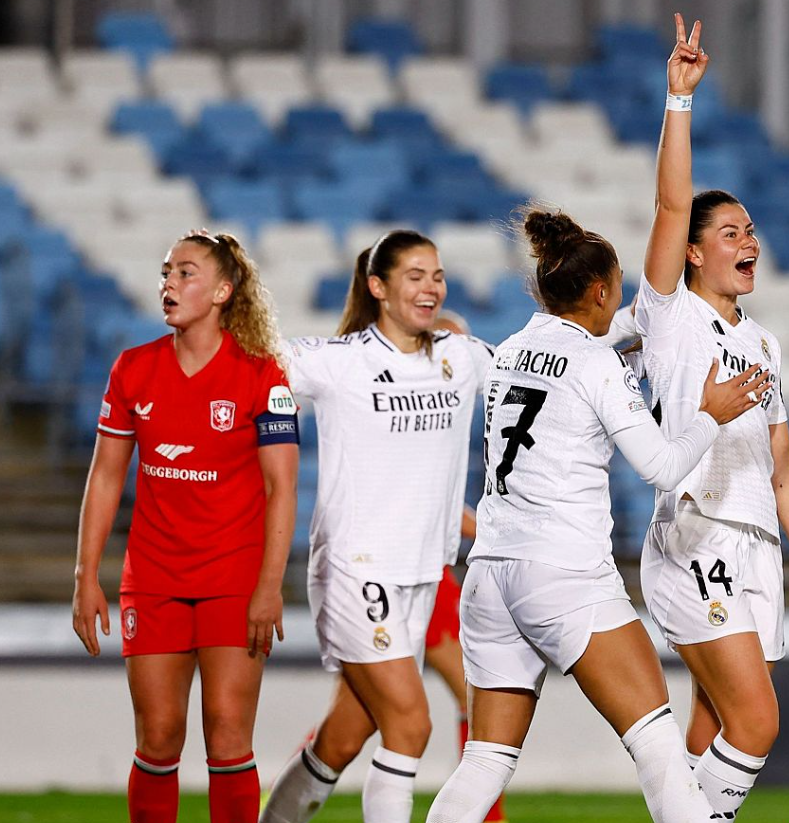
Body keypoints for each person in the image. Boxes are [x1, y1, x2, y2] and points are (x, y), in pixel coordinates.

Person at [426, 208, 768, 823]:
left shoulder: (509, 350)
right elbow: (662, 466)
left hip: (488, 576)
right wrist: (709, 414)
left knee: (484, 759)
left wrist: (643, 323)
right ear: (600, 291)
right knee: (659, 745)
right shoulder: (596, 364)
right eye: (615, 293)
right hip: (564, 571)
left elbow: (601, 336)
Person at [635, 16, 789, 818]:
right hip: (696, 535)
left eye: (749, 228)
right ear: (690, 250)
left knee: (713, 726)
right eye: (727, 231)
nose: (747, 239)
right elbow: (671, 198)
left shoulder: (764, 343)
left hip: (753, 548)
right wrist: (679, 102)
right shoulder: (669, 314)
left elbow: (781, 463)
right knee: (758, 723)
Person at [259, 230, 495, 823]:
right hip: (358, 571)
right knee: (411, 724)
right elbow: (249, 366)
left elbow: (544, 373)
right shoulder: (340, 362)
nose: (431, 286)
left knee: (343, 737)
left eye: (437, 275)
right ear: (377, 287)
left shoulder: (458, 357)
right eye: (414, 274)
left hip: (423, 574)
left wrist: (630, 336)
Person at [72, 230, 299, 823]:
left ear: (224, 291)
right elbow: (104, 479)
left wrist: (270, 587)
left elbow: (282, 488)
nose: (168, 283)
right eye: (166, 271)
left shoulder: (262, 376)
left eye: (186, 272)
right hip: (152, 579)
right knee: (159, 737)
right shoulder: (133, 368)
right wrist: (85, 576)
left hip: (235, 579)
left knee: (226, 736)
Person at [422, 309, 507, 823]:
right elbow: (431, 502)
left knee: (353, 725)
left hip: (431, 575)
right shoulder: (416, 415)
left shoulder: (442, 417)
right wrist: (495, 531)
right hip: (409, 577)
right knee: (476, 706)